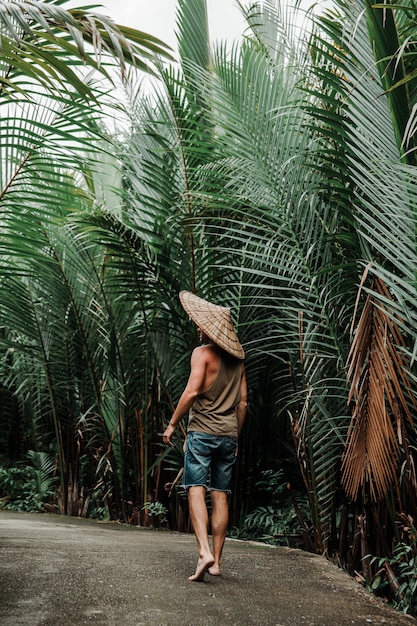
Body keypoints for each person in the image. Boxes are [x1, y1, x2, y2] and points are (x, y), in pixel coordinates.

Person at [163, 290, 247, 582]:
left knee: (195, 487)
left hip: (201, 433)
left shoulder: (202, 354)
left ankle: (203, 552)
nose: (198, 328)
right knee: (220, 493)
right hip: (228, 435)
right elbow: (243, 403)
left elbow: (192, 391)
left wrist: (173, 423)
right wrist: (234, 435)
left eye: (201, 325)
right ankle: (218, 562)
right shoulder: (238, 360)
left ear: (208, 329)